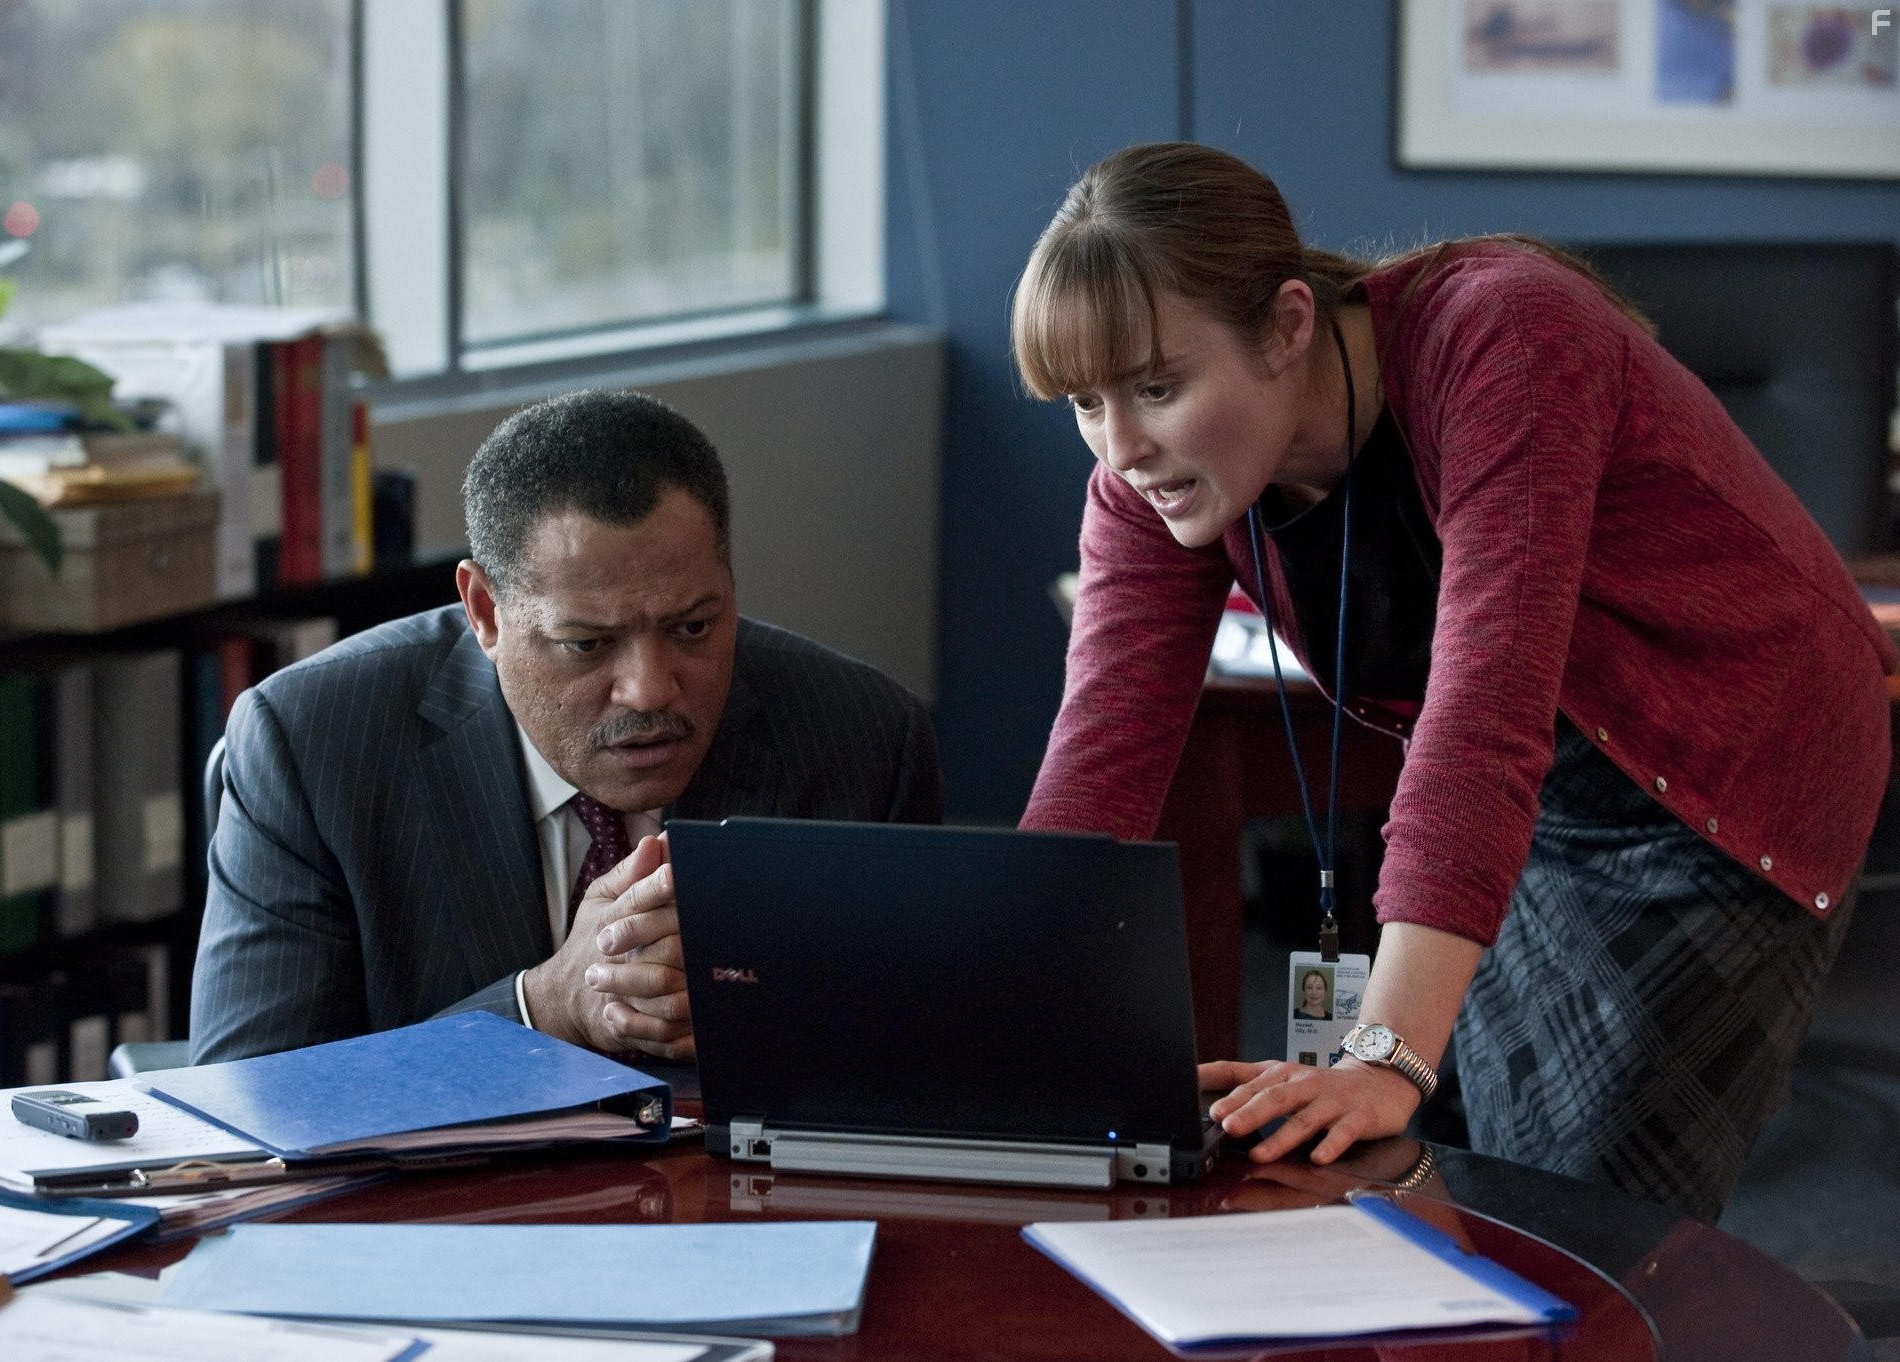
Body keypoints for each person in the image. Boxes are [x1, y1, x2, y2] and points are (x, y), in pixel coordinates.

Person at [1012, 142, 1892, 1222]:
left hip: (1732, 752)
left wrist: (1382, 1054)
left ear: (1289, 324)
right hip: (1536, 785)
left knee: (1588, 1220)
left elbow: (1481, 712)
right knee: (1465, 1187)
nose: (1121, 446)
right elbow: (1100, 746)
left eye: (1155, 386)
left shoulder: (1504, 336)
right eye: (1084, 402)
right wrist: (1013, 1029)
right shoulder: (1145, 483)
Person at [191, 389, 944, 1064]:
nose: (649, 688)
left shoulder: (864, 740)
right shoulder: (311, 745)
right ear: (485, 613)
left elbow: (912, 1073)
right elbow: (247, 1105)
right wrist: (542, 1007)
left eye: (692, 627)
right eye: (587, 643)